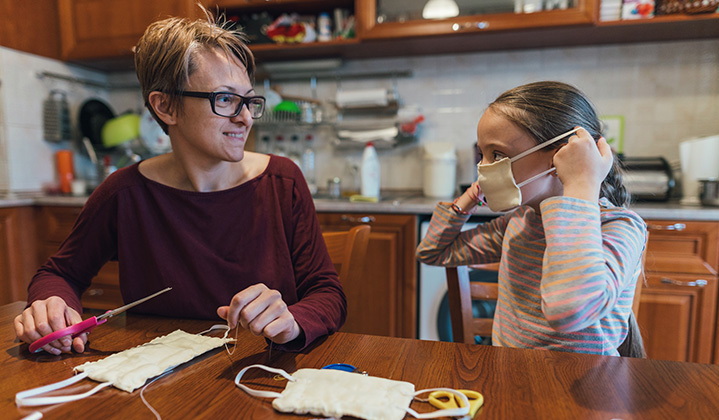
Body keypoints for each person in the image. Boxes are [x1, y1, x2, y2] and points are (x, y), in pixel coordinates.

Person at [14, 10, 346, 355]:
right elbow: (60, 273)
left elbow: (326, 292)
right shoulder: (124, 194)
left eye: (249, 100)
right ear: (166, 107)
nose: (246, 117)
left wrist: (292, 321)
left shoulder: (282, 181)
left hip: (259, 371)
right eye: (226, 99)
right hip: (157, 380)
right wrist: (50, 304)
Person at [416, 81, 647, 357]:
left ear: (560, 157)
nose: (483, 168)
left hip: (585, 392)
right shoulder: (520, 221)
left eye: (497, 155)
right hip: (512, 376)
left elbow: (568, 310)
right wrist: (469, 199)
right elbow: (432, 252)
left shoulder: (619, 228)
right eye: (483, 155)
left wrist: (581, 184)